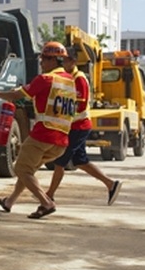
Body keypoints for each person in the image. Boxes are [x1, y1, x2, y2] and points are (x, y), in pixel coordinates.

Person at [0, 41, 76, 219]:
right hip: (61, 140)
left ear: (54, 60)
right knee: (28, 169)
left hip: (43, 135)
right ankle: (10, 201)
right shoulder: (69, 82)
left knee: (22, 169)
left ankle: (46, 202)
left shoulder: (46, 79)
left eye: (44, 59)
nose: (41, 63)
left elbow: (16, 96)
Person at [45, 47, 122, 205]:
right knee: (80, 161)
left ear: (73, 61)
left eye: (64, 61)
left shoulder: (79, 79)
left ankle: (49, 195)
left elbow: (79, 105)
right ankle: (110, 184)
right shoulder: (68, 78)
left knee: (60, 161)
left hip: (78, 126)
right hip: (74, 126)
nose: (62, 64)